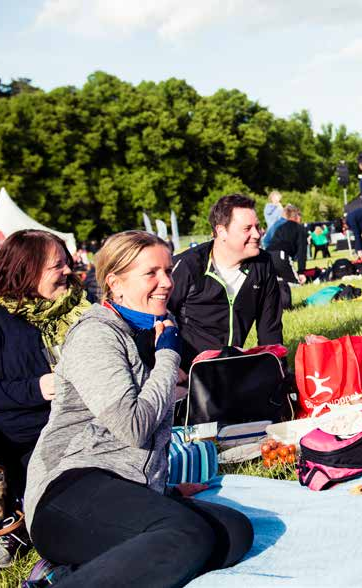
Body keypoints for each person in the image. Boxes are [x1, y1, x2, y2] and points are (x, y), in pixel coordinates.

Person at [23, 231, 253, 587]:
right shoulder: (96, 335)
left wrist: (165, 490)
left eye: (168, 271)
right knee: (187, 535)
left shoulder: (151, 327)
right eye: (152, 273)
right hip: (68, 490)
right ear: (115, 282)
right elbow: (133, 427)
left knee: (234, 532)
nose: (166, 283)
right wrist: (167, 357)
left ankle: (70, 572)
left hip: (126, 487)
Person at [0, 230, 90, 570]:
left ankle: (19, 520)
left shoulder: (80, 312)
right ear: (27, 269)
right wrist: (35, 388)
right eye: (58, 265)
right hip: (5, 437)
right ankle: (4, 524)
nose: (69, 271)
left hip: (65, 430)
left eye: (68, 263)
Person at [168, 194, 283, 371]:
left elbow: (270, 328)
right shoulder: (188, 266)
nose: (257, 234)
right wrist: (172, 369)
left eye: (257, 227)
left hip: (233, 367)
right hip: (189, 371)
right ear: (221, 231)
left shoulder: (263, 264)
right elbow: (160, 319)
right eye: (247, 228)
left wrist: (277, 369)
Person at [266, 204, 308, 285]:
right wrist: (301, 271)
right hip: (281, 255)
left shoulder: (280, 228)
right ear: (297, 216)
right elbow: (302, 251)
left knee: (276, 283)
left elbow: (268, 242)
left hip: (268, 256)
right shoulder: (299, 228)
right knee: (296, 284)